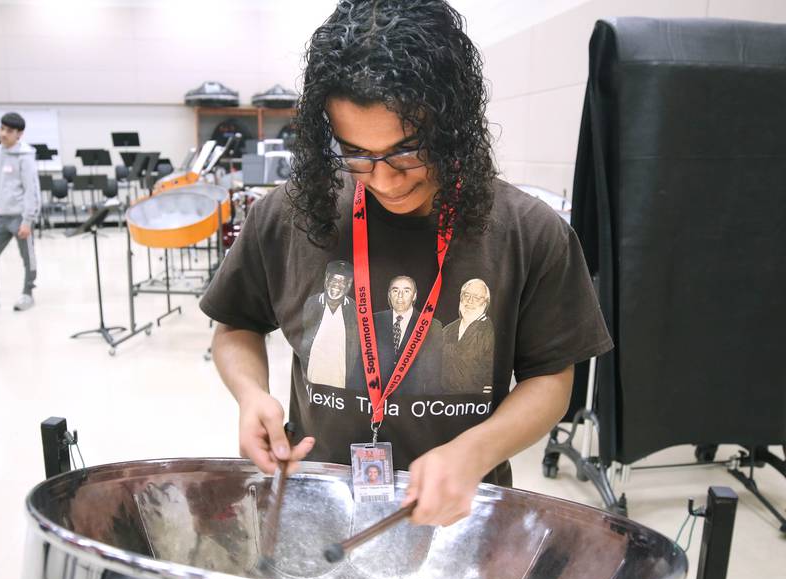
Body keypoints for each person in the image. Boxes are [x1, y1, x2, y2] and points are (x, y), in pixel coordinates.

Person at [201, 0, 612, 527]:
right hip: (319, 504)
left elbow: (552, 378)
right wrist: (250, 393)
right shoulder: (290, 214)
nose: (385, 180)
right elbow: (235, 324)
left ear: (453, 121)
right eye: (357, 154)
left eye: (407, 152)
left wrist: (477, 450)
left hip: (459, 517)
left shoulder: (529, 232)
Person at [0, 112, 41, 311]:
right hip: (0, 217)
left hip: (20, 217)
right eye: (2, 128)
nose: (3, 134)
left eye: (9, 131)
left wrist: (27, 220)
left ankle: (28, 294)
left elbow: (31, 190)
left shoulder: (25, 156)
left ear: (19, 134)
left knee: (27, 258)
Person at [372, 275, 442, 394]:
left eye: (406, 291)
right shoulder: (373, 321)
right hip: (379, 397)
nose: (400, 295)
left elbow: (434, 372)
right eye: (395, 290)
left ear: (414, 296)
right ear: (389, 295)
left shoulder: (431, 325)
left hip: (413, 400)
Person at [300, 260, 358, 389]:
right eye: (334, 280)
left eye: (343, 282)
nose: (337, 285)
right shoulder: (311, 304)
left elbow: (356, 346)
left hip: (341, 380)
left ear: (349, 285)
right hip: (313, 378)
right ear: (326, 280)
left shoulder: (354, 310)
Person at [442, 279, 495, 394]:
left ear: (485, 303)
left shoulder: (492, 332)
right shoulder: (447, 330)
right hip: (444, 403)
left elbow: (495, 375)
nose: (470, 301)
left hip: (473, 404)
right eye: (467, 295)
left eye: (476, 298)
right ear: (461, 298)